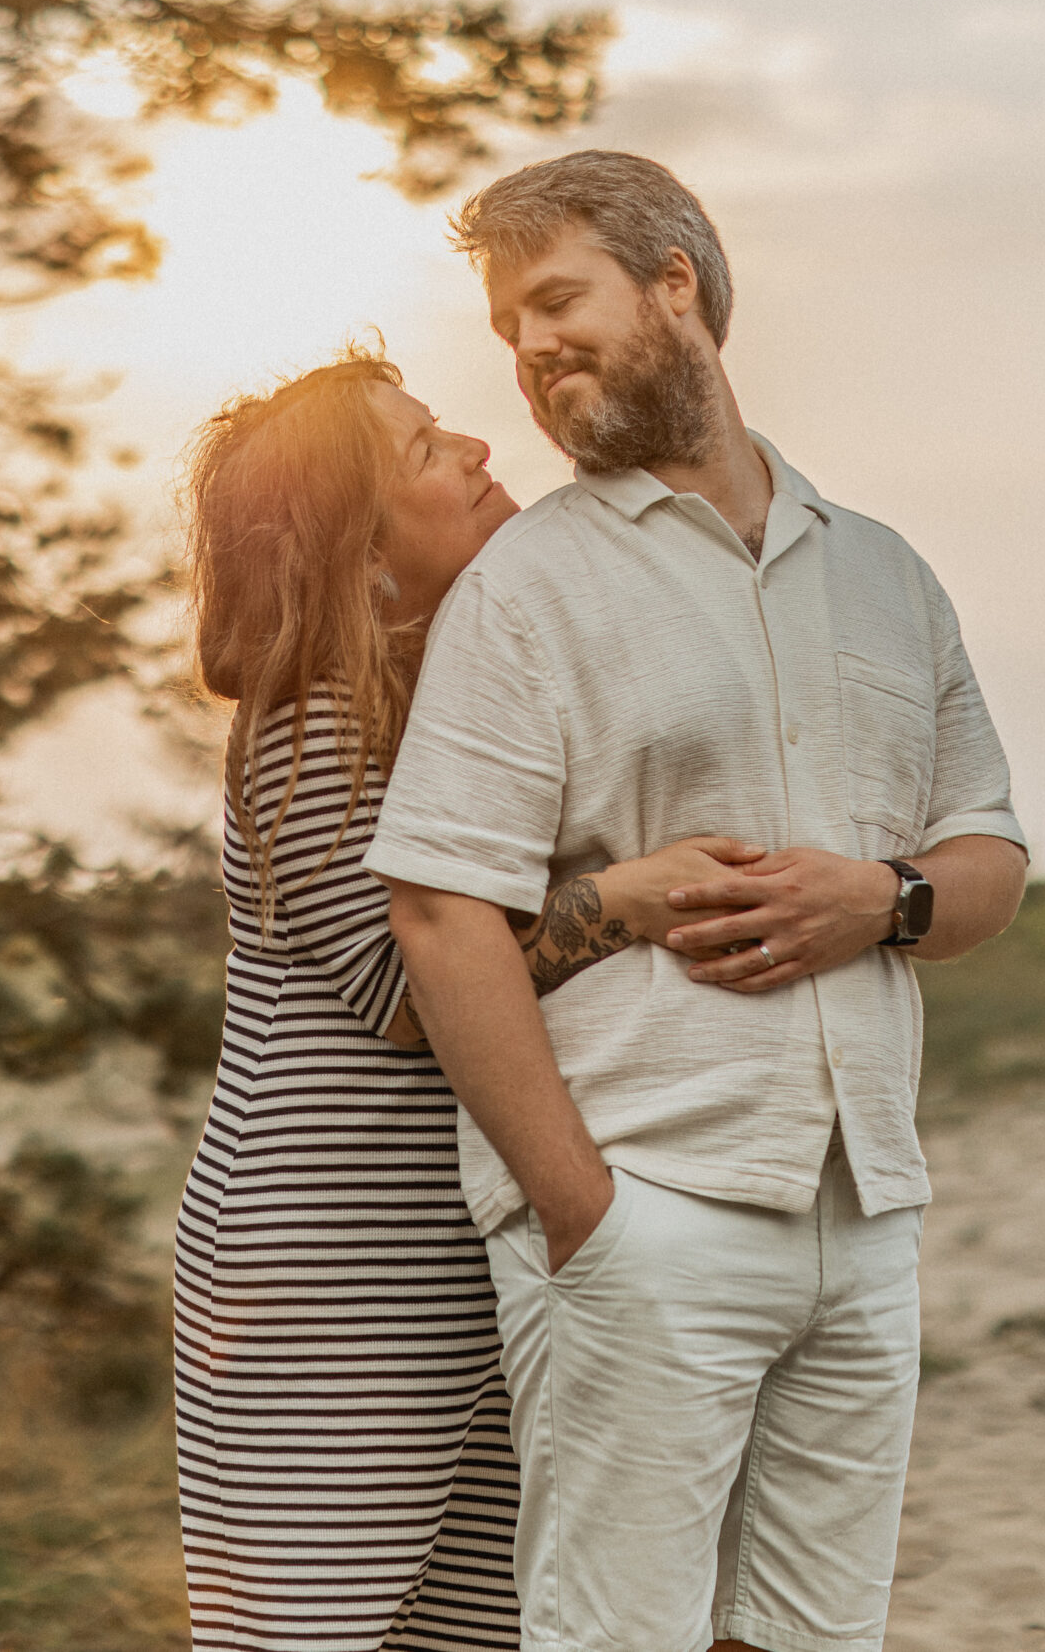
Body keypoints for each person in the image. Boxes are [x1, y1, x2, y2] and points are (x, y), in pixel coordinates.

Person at [366, 151, 1031, 1652]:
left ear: (679, 284)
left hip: (864, 1211)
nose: (530, 350)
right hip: (642, 1202)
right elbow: (439, 915)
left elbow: (990, 856)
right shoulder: (525, 588)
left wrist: (891, 896)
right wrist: (580, 1214)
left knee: (814, 1637)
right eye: (508, 329)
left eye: (557, 299)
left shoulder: (886, 576)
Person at [176, 351, 769, 1652]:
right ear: (357, 553)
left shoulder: (469, 703)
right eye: (424, 450)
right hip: (335, 1267)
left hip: (495, 1243)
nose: (478, 453)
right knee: (307, 1629)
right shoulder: (310, 722)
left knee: (492, 1627)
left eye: (451, 429)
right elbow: (406, 995)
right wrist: (625, 899)